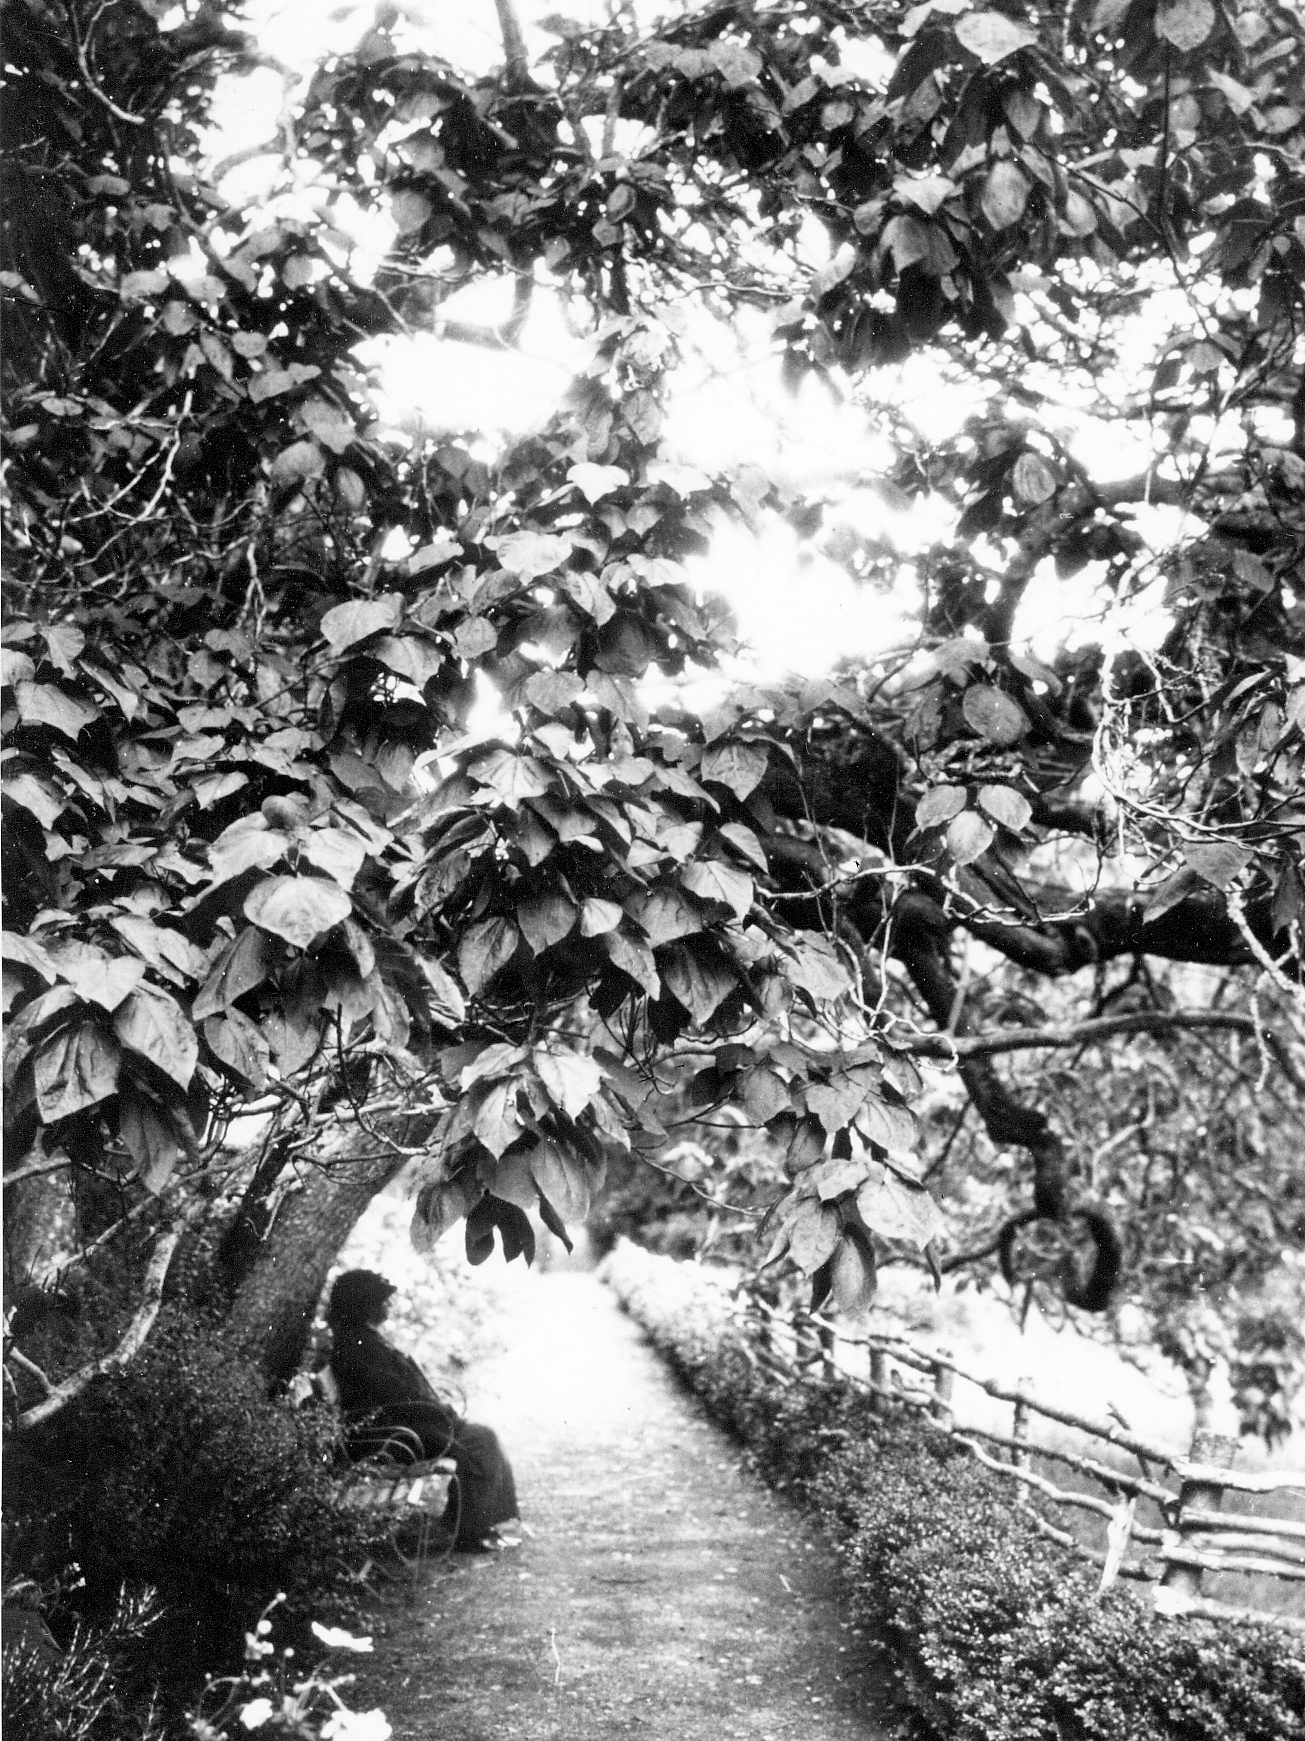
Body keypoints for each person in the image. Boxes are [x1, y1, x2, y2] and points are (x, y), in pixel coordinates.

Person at [325, 1269, 519, 1551]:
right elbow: (395, 1395)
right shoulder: (356, 1345)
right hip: (389, 1435)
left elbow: (399, 1391)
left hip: (400, 1424)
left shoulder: (362, 1338)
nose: (388, 1305)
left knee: (479, 1437)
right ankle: (469, 1533)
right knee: (478, 1442)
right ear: (364, 1305)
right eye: (382, 1301)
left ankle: (474, 1526)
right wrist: (437, 1411)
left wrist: (435, 1408)